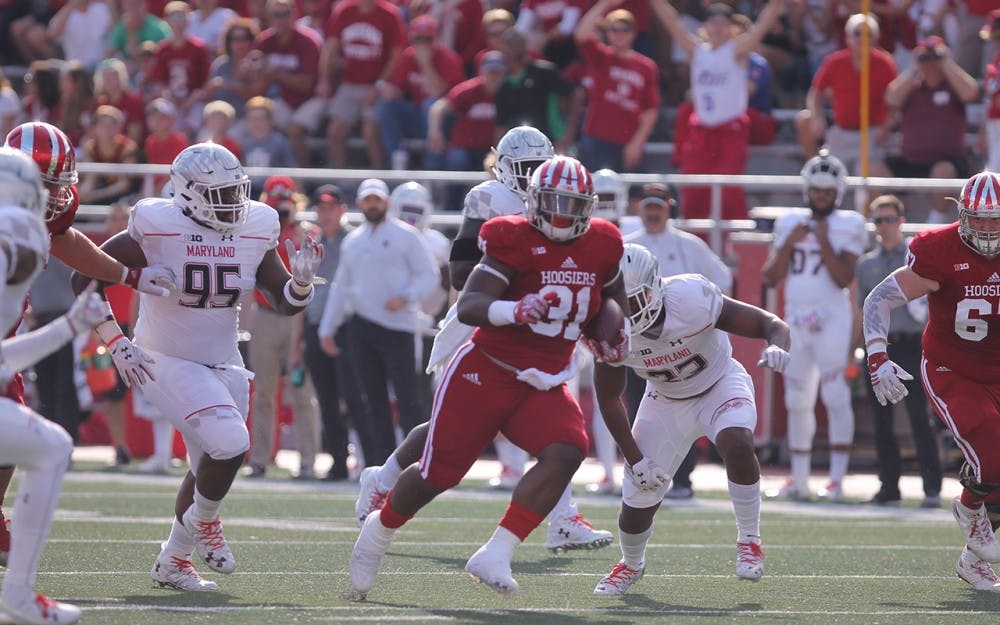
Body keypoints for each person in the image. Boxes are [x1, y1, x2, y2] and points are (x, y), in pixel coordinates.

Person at [348, 155, 627, 599]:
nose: (562, 214)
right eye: (553, 202)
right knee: (439, 474)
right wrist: (515, 310)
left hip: (544, 379)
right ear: (534, 201)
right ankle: (380, 531)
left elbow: (612, 297)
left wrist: (613, 331)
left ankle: (497, 551)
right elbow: (470, 304)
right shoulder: (511, 236)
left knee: (568, 449)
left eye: (573, 204)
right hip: (488, 370)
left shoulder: (602, 243)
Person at [70, 142, 322, 592]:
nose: (233, 204)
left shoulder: (255, 225)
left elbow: (283, 302)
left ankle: (173, 561)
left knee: (210, 461)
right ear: (187, 193)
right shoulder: (157, 225)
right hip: (163, 357)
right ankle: (205, 522)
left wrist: (301, 283)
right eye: (220, 194)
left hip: (225, 359)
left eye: (236, 192)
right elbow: (83, 276)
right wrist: (115, 341)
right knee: (230, 442)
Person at [0, 121, 176, 567]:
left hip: (5, 348)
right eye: (46, 185)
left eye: (59, 186)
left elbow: (64, 240)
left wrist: (127, 275)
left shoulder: (35, 219)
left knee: (20, 428)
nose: (55, 196)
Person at [591, 244, 790, 594]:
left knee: (738, 442)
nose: (628, 312)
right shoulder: (608, 327)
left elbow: (769, 323)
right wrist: (635, 460)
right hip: (665, 400)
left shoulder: (690, 298)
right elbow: (608, 397)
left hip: (719, 383)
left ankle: (749, 540)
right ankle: (631, 563)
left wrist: (778, 345)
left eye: (635, 300)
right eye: (621, 303)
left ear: (656, 287)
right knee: (637, 502)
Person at [862, 170, 1000, 591]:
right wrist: (877, 357)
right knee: (993, 449)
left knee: (996, 462)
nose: (988, 229)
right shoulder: (939, 249)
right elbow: (879, 298)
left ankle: (971, 559)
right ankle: (968, 506)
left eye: (996, 220)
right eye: (979, 219)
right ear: (961, 215)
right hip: (951, 368)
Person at [0, 146, 110, 625]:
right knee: (51, 447)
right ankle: (19, 597)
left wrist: (70, 326)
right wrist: (70, 327)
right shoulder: (18, 236)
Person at [762, 149, 867, 502]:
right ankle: (799, 478)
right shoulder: (789, 222)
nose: (822, 197)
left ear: (838, 193)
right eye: (817, 191)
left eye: (828, 192)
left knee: (835, 395)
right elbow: (771, 277)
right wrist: (791, 242)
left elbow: (842, 278)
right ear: (807, 190)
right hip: (796, 315)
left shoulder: (848, 224)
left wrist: (821, 241)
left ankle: (836, 480)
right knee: (796, 399)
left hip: (831, 315)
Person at [318, 178, 439, 466]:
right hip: (363, 326)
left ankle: (415, 464)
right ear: (360, 204)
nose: (372, 205)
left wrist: (407, 296)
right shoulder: (354, 241)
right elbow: (341, 287)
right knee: (372, 399)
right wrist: (327, 328)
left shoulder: (406, 236)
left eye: (377, 200)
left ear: (386, 202)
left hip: (399, 327)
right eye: (367, 200)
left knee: (408, 397)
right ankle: (381, 464)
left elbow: (429, 274)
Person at [625, 182, 734, 499]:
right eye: (648, 207)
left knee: (687, 408)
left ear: (669, 208)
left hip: (682, 342)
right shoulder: (627, 245)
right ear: (639, 209)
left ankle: (683, 478)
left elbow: (722, 281)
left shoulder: (689, 245)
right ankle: (644, 471)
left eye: (659, 207)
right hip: (640, 343)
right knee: (640, 411)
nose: (654, 213)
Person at [652, 0, 787, 219]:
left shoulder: (737, 50)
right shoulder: (698, 52)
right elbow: (672, 22)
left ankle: (735, 245)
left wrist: (776, 5)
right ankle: (696, 243)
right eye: (713, 23)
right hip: (702, 130)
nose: (717, 27)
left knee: (729, 192)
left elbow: (762, 24)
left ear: (731, 27)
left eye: (723, 23)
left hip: (730, 130)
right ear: (705, 27)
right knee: (694, 190)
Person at [855, 194, 941, 508]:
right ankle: (889, 488)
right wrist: (860, 349)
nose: (884, 226)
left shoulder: (916, 257)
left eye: (889, 219)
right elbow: (862, 311)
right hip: (880, 348)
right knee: (882, 420)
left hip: (913, 344)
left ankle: (932, 488)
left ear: (901, 222)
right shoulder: (867, 264)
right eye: (878, 220)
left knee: (920, 416)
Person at [246, 176, 322, 480]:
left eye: (284, 206)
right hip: (264, 314)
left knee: (302, 392)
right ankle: (261, 458)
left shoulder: (307, 233)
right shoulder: (258, 231)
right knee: (262, 392)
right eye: (275, 206)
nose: (280, 213)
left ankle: (307, 462)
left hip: (296, 318)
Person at [292, 184, 370, 480]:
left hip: (347, 328)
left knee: (354, 396)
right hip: (315, 325)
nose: (325, 214)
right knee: (326, 398)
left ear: (342, 210)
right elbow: (302, 291)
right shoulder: (310, 243)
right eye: (320, 209)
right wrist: (297, 342)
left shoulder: (355, 241)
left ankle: (369, 460)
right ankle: (338, 461)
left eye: (330, 208)